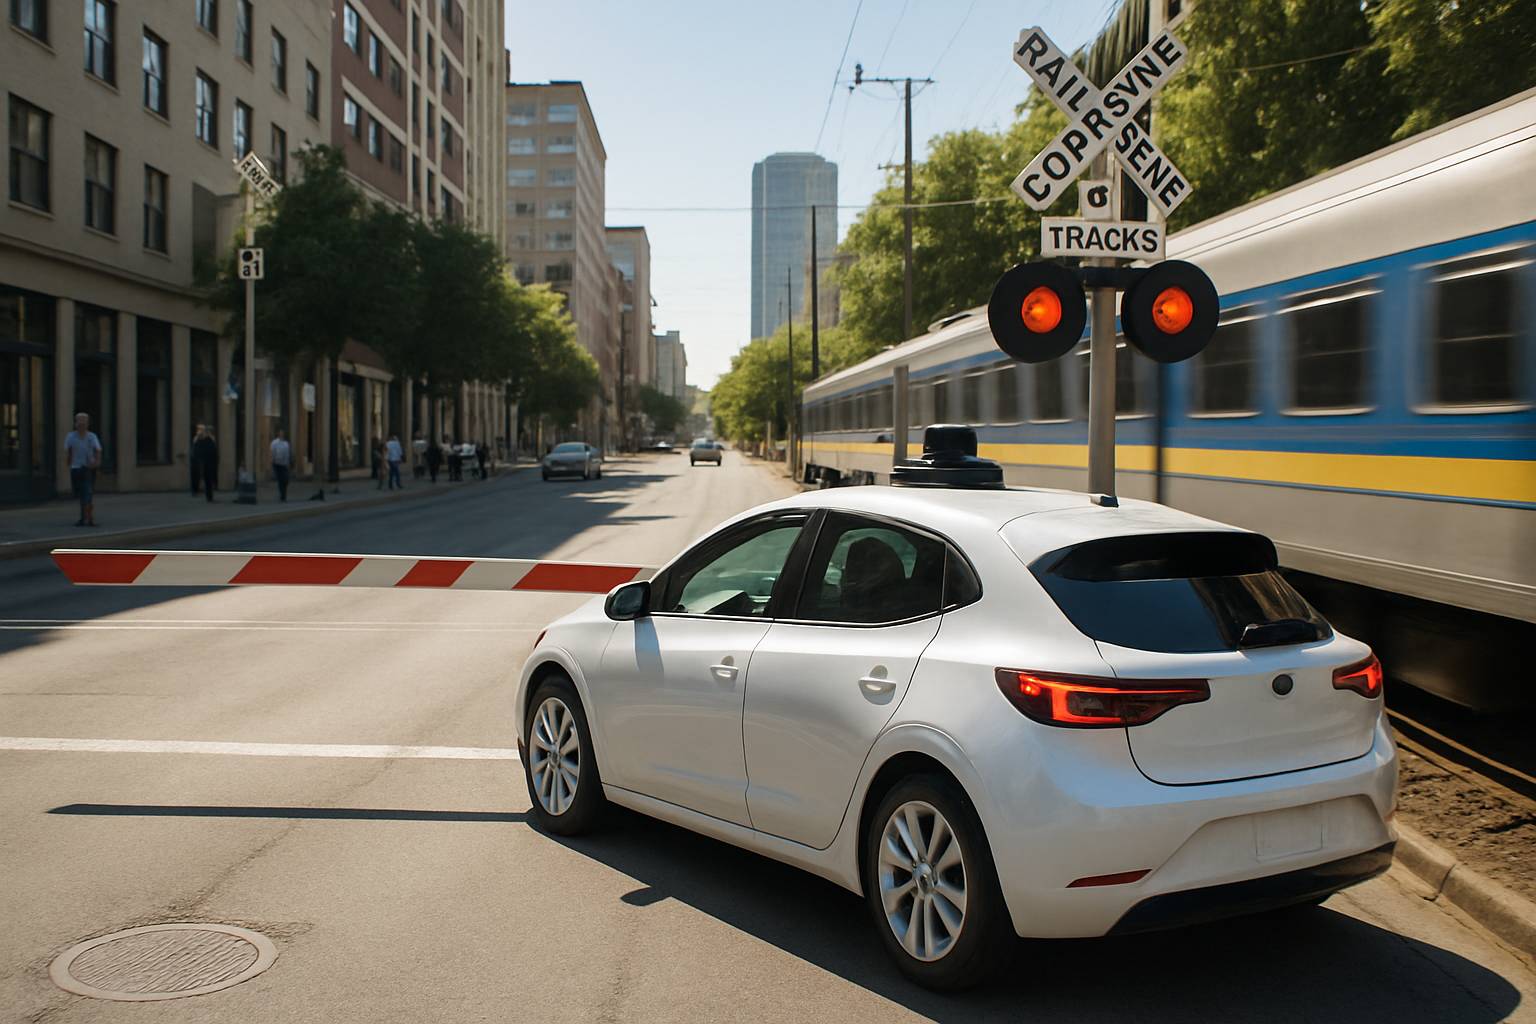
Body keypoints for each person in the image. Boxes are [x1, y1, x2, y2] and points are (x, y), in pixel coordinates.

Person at [65, 412, 102, 527]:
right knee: (81, 494)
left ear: (87, 424)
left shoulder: (92, 436)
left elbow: (98, 450)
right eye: (79, 422)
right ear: (75, 423)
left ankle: (89, 518)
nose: (81, 424)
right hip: (76, 468)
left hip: (88, 467)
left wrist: (96, 462)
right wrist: (69, 462)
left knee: (88, 493)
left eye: (84, 422)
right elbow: (68, 450)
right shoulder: (71, 436)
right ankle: (83, 517)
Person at [193, 427, 219, 502]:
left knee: (207, 480)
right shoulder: (209, 442)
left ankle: (207, 495)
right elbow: (214, 453)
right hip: (208, 464)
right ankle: (209, 496)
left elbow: (196, 452)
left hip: (204, 464)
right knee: (208, 481)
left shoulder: (202, 442)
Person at [270, 428, 292, 502]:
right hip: (277, 464)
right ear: (278, 434)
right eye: (280, 433)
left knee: (285, 480)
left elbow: (287, 454)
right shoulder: (274, 442)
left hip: (284, 464)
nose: (281, 434)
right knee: (280, 480)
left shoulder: (286, 443)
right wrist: (272, 461)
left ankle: (283, 494)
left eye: (283, 433)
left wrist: (288, 463)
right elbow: (272, 452)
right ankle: (283, 496)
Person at [189, 424, 205, 495]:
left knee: (197, 475)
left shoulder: (198, 438)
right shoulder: (197, 438)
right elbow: (196, 449)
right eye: (201, 429)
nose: (202, 431)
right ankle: (195, 490)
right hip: (195, 459)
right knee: (196, 475)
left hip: (196, 459)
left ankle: (195, 490)